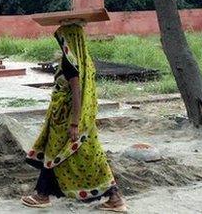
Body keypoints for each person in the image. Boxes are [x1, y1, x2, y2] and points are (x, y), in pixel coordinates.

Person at [21, 19, 127, 211]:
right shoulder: (85, 60)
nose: (61, 43)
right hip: (81, 118)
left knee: (58, 153)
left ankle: (42, 195)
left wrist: (74, 124)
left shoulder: (70, 62)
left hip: (68, 120)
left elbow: (77, 93)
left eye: (62, 39)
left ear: (68, 39)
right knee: (86, 157)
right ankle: (114, 198)